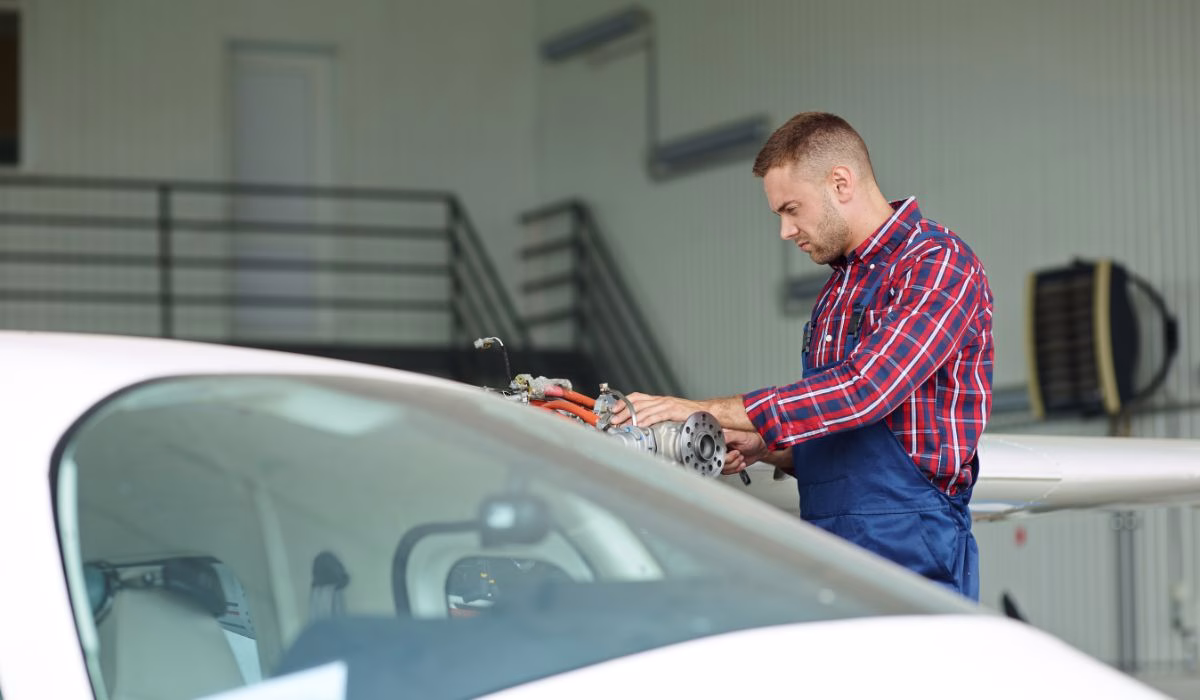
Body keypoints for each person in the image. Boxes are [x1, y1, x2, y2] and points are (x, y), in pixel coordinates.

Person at [612, 112, 993, 600]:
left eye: (791, 209)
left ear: (840, 182)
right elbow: (844, 435)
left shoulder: (938, 265)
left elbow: (863, 392)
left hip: (912, 548)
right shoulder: (836, 292)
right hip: (827, 546)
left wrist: (698, 408)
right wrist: (768, 448)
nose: (786, 231)